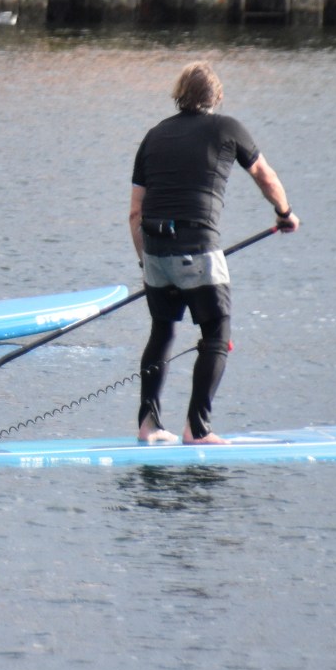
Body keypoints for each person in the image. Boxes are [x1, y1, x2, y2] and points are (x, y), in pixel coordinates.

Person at [128, 61, 299, 445]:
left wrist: (147, 264)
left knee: (162, 330)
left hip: (154, 248)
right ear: (215, 97)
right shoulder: (227, 128)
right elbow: (264, 175)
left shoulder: (153, 136)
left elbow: (135, 213)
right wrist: (284, 213)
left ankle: (148, 425)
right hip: (197, 249)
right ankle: (197, 429)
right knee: (217, 335)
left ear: (180, 94)